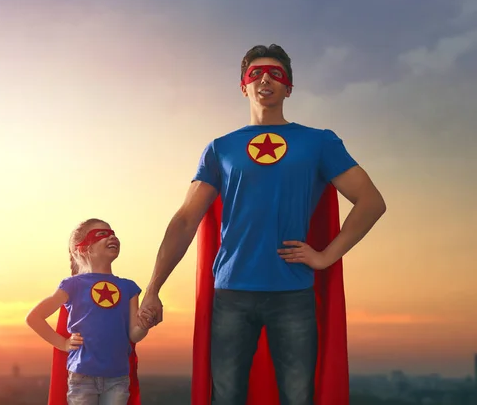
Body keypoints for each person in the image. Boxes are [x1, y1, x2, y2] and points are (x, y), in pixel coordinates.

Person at [137, 44, 387, 405]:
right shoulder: (219, 148)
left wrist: (326, 256)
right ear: (243, 86)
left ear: (289, 87)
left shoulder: (319, 142)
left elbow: (371, 202)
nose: (265, 79)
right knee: (226, 397)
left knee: (299, 398)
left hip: (293, 293)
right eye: (255, 74)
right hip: (232, 293)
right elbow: (185, 219)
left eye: (276, 74)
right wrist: (153, 287)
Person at [27, 218, 152, 405]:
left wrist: (144, 324)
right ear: (82, 248)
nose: (112, 237)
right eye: (102, 234)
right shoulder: (72, 285)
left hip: (118, 378)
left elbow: (134, 334)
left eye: (113, 233)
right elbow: (34, 317)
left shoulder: (129, 287)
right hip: (82, 377)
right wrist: (63, 343)